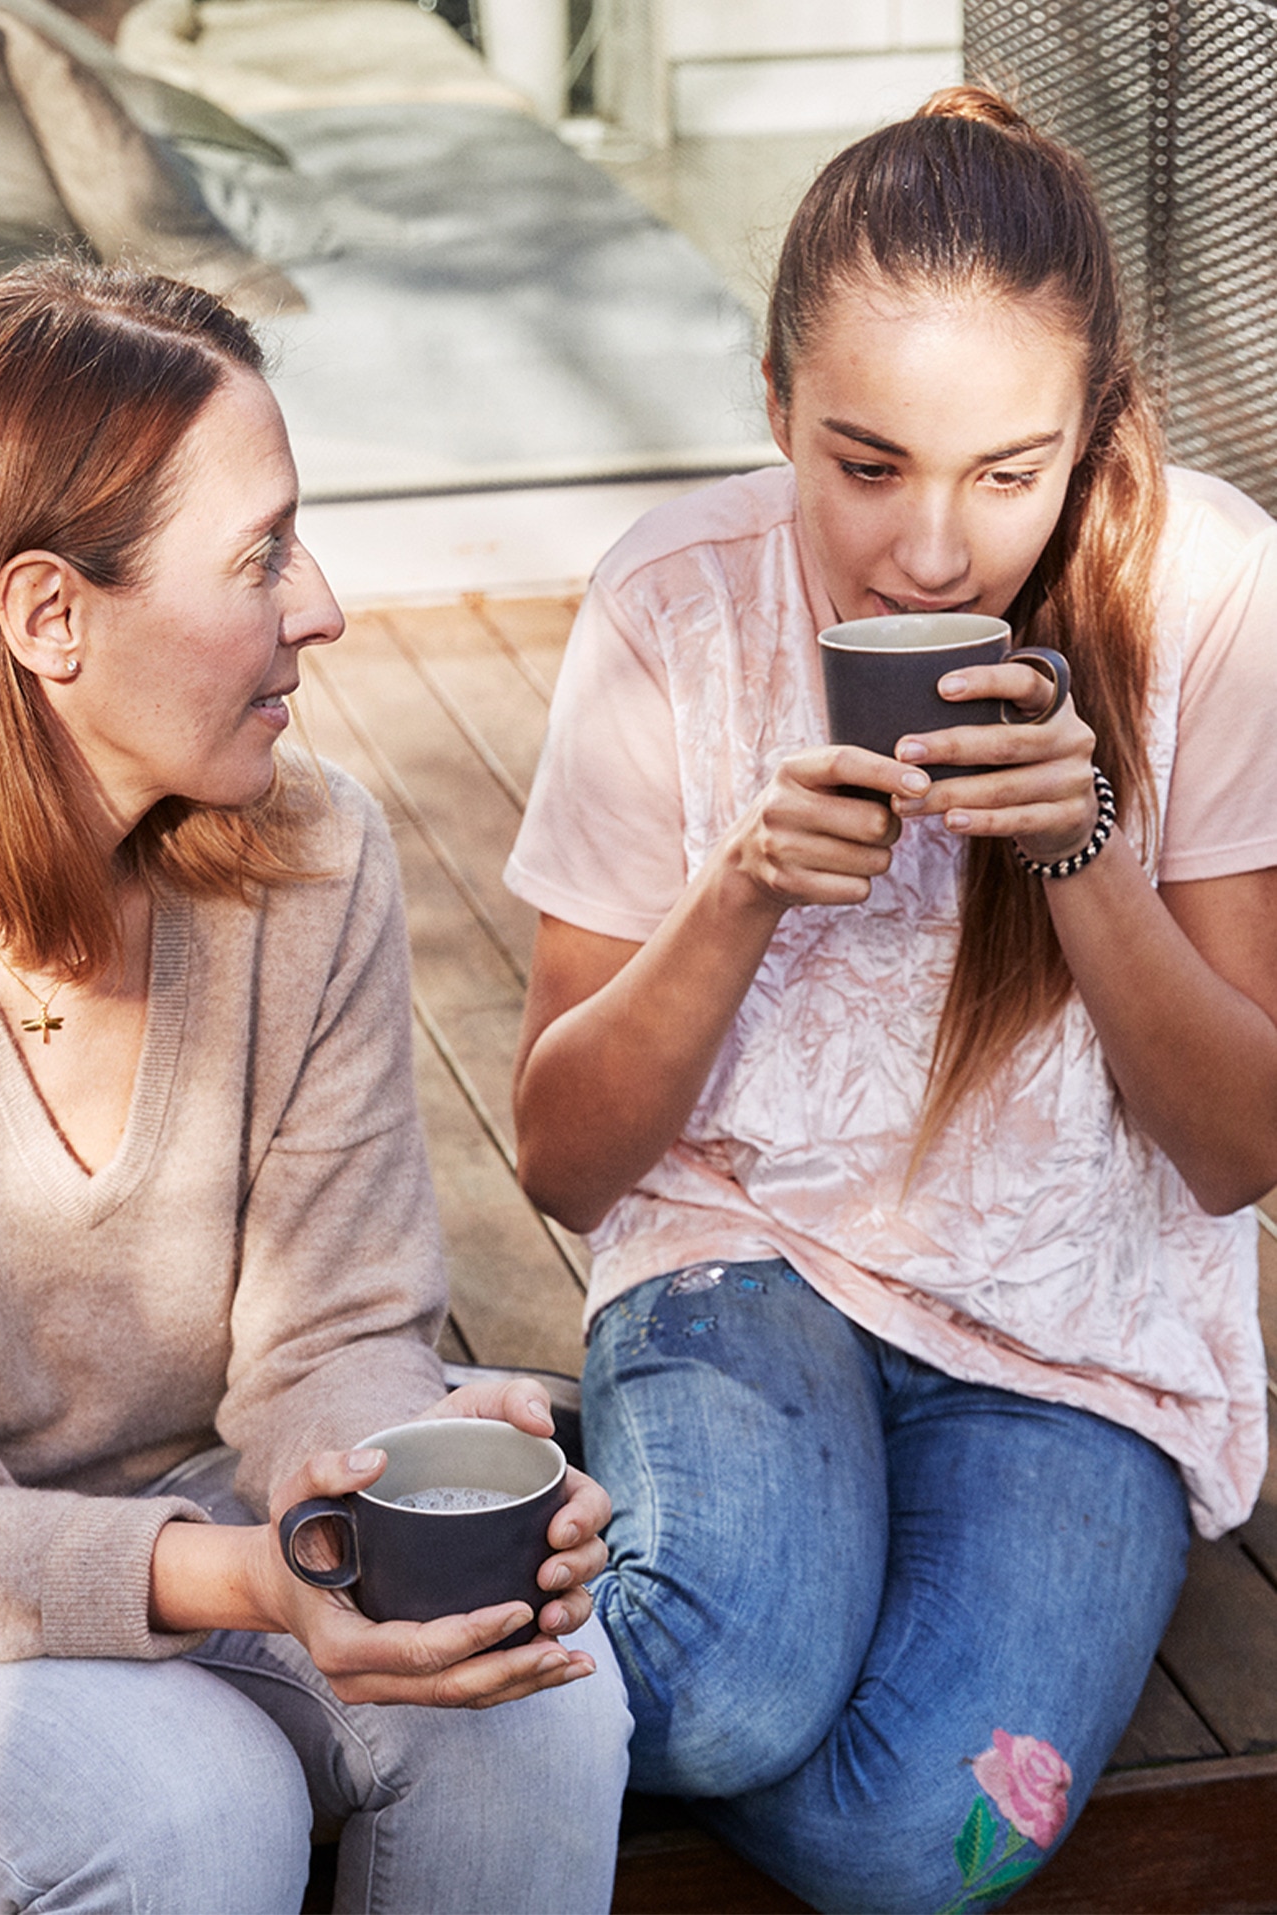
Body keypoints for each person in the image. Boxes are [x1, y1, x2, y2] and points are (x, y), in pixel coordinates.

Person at [0, 258, 631, 1915]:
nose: (321, 607)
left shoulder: (313, 859)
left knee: (540, 1707)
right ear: (49, 618)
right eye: (261, 557)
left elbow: (330, 1340)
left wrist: (401, 1467)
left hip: (181, 1514)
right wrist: (246, 1573)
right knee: (190, 1802)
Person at [505, 86, 1276, 1914]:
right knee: (720, 1692)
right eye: (864, 467)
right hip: (743, 1253)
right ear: (771, 403)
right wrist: (743, 888)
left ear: (1089, 433)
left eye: (1010, 475)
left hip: (1074, 1336)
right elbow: (560, 1154)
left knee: (916, 1836)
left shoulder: (1213, 594)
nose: (934, 557)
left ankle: (639, 1496)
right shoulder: (673, 607)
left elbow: (1238, 1152)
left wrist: (1082, 847)